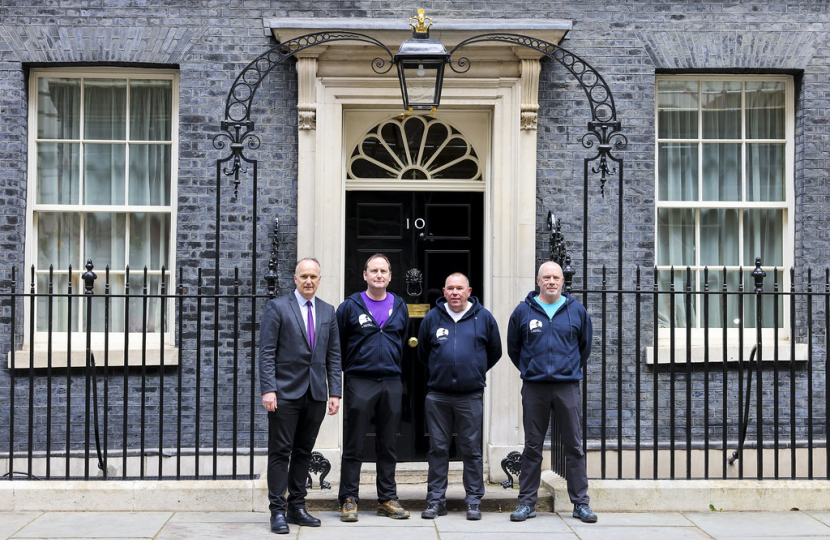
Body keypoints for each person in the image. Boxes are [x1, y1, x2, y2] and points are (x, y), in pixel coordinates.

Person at [506, 261, 597, 523]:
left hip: (566, 386)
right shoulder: (523, 312)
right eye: (546, 277)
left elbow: (585, 347)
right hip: (535, 388)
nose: (551, 281)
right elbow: (514, 348)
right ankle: (526, 503)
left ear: (562, 281)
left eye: (556, 277)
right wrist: (531, 369)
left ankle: (581, 504)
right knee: (532, 447)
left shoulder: (576, 311)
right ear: (538, 281)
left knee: (574, 446)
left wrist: (567, 369)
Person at [259, 258, 342, 534]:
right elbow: (267, 352)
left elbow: (333, 355)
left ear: (320, 280)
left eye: (313, 276)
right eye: (303, 276)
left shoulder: (328, 311)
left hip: (316, 393)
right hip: (284, 394)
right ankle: (277, 511)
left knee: (304, 452)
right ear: (295, 278)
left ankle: (297, 506)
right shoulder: (278, 307)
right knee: (280, 452)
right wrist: (268, 389)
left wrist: (335, 392)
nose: (309, 281)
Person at [417, 272, 502, 521]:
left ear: (469, 291)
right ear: (443, 291)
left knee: (471, 450)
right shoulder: (432, 318)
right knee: (438, 449)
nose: (455, 293)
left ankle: (474, 501)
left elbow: (494, 352)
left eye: (459, 288)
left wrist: (472, 370)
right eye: (450, 288)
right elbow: (423, 352)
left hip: (470, 395)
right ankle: (435, 501)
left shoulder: (484, 318)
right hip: (438, 396)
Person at [336, 254, 411, 522]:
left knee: (388, 443)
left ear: (390, 276)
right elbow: (338, 345)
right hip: (359, 380)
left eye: (383, 271)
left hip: (391, 381)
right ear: (365, 275)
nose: (379, 275)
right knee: (354, 442)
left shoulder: (400, 306)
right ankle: (348, 498)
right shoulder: (349, 307)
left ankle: (387, 499)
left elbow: (402, 342)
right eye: (373, 270)